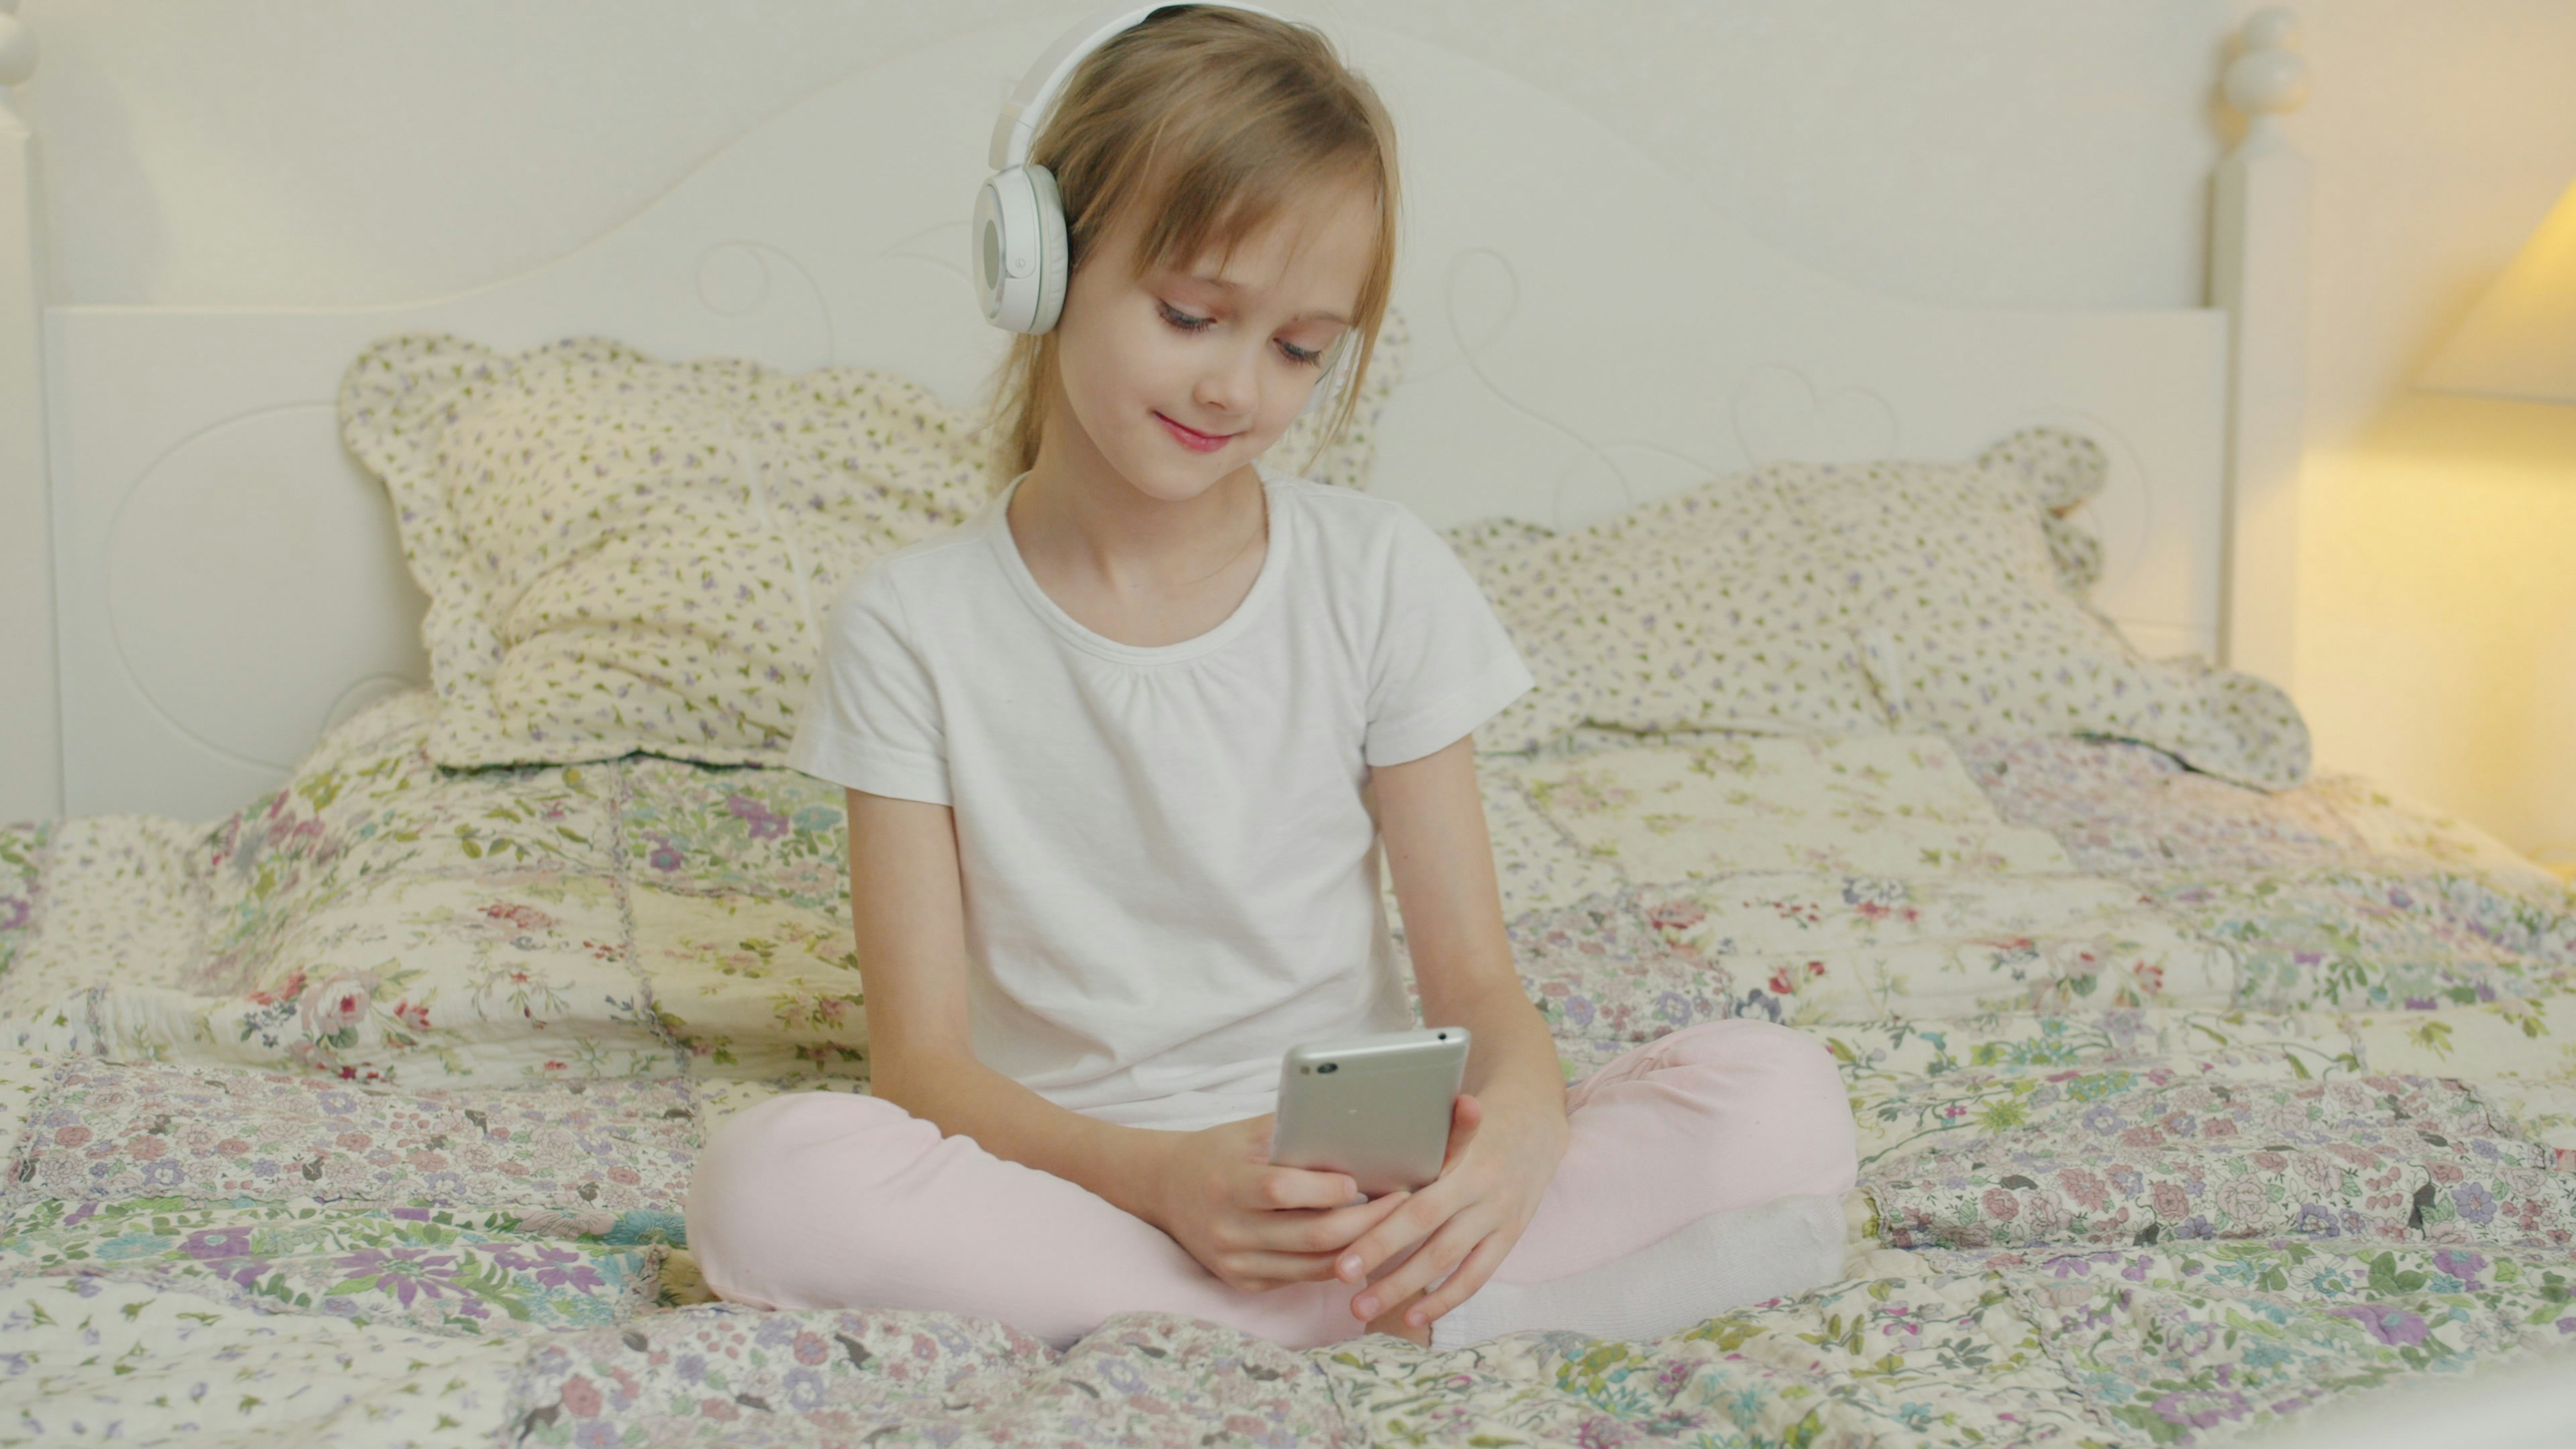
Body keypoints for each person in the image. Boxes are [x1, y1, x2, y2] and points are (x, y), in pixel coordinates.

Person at [684, 3, 1858, 1352]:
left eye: (1300, 348)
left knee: (1779, 1091)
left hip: (1356, 1183)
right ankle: (1450, 1316)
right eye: (1193, 314)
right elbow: (923, 1070)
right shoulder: (912, 625)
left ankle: (1294, 1307)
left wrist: (1520, 1143)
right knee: (769, 1185)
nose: (1238, 386)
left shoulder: (1378, 574)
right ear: (1042, 262)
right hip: (1084, 1186)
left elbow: (1474, 983)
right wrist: (1165, 1181)